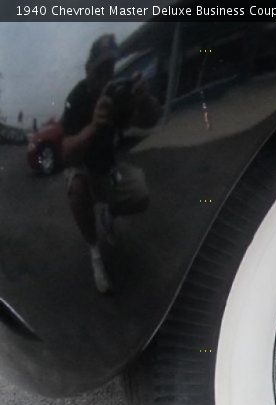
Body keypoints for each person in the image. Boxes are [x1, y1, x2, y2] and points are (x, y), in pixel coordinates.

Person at [61, 34, 161, 293]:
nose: (106, 75)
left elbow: (148, 121)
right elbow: (67, 153)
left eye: (110, 69)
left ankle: (109, 212)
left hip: (108, 168)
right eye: (100, 69)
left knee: (140, 193)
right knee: (77, 190)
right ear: (88, 69)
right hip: (83, 168)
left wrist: (144, 99)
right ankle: (95, 251)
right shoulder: (78, 98)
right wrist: (93, 126)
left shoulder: (119, 93)